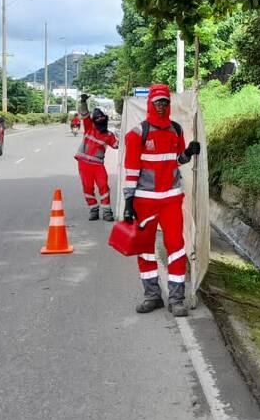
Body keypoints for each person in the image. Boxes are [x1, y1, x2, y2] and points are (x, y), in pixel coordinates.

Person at [122, 84, 200, 317]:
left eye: (165, 102)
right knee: (145, 250)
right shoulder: (137, 134)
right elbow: (131, 171)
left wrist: (188, 152)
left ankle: (176, 299)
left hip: (171, 201)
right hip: (144, 202)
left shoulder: (176, 130)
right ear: (150, 104)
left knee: (176, 248)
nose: (161, 106)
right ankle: (152, 296)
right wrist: (128, 203)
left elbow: (177, 160)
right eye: (157, 102)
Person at [75, 107, 118, 221]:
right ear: (94, 120)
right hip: (84, 164)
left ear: (105, 118)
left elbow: (116, 145)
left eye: (101, 117)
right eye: (97, 118)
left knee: (103, 186)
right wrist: (83, 102)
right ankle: (93, 210)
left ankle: (107, 212)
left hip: (98, 165)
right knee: (88, 187)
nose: (100, 119)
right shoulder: (89, 127)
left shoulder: (109, 135)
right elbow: (85, 114)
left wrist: (123, 136)